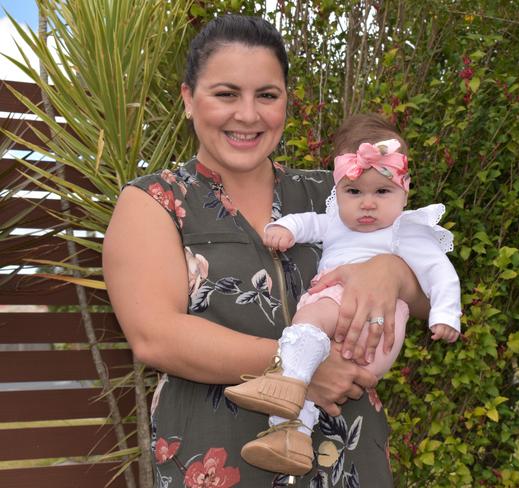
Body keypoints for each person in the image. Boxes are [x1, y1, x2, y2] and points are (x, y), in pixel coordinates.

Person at [103, 14, 432, 487]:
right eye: (226, 94)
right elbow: (156, 335)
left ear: (285, 104)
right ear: (188, 100)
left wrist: (393, 273)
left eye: (267, 95)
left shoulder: (334, 193)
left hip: (349, 457)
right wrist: (300, 368)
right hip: (218, 461)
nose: (248, 115)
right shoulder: (156, 202)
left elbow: (427, 291)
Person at [224, 114, 461, 476]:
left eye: (382, 192)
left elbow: (441, 274)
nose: (367, 204)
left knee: (309, 321)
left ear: (405, 188)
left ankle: (288, 379)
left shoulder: (407, 230)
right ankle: (291, 437)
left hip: (373, 329)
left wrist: (445, 315)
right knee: (312, 361)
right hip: (341, 334)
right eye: (354, 192)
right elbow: (308, 222)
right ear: (338, 191)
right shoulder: (336, 221)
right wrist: (284, 228)